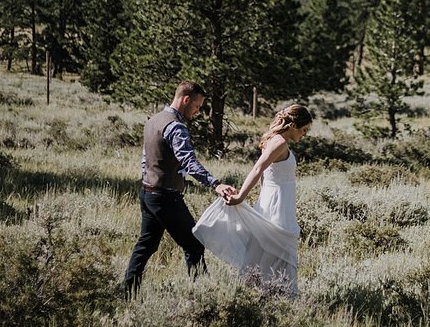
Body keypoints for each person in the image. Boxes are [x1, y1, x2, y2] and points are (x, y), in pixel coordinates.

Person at [123, 80, 236, 298]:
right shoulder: (176, 126)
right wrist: (215, 183)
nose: (198, 111)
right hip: (166, 197)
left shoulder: (153, 120)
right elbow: (188, 161)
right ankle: (202, 299)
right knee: (195, 245)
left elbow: (147, 160)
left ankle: (129, 294)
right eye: (197, 106)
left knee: (146, 246)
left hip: (147, 193)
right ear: (186, 100)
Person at [193, 104, 313, 296]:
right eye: (304, 129)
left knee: (268, 250)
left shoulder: (276, 140)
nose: (305, 134)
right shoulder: (279, 142)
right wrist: (241, 196)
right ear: (293, 125)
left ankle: (262, 293)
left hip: (277, 201)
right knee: (276, 250)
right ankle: (283, 297)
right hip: (277, 205)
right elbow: (258, 169)